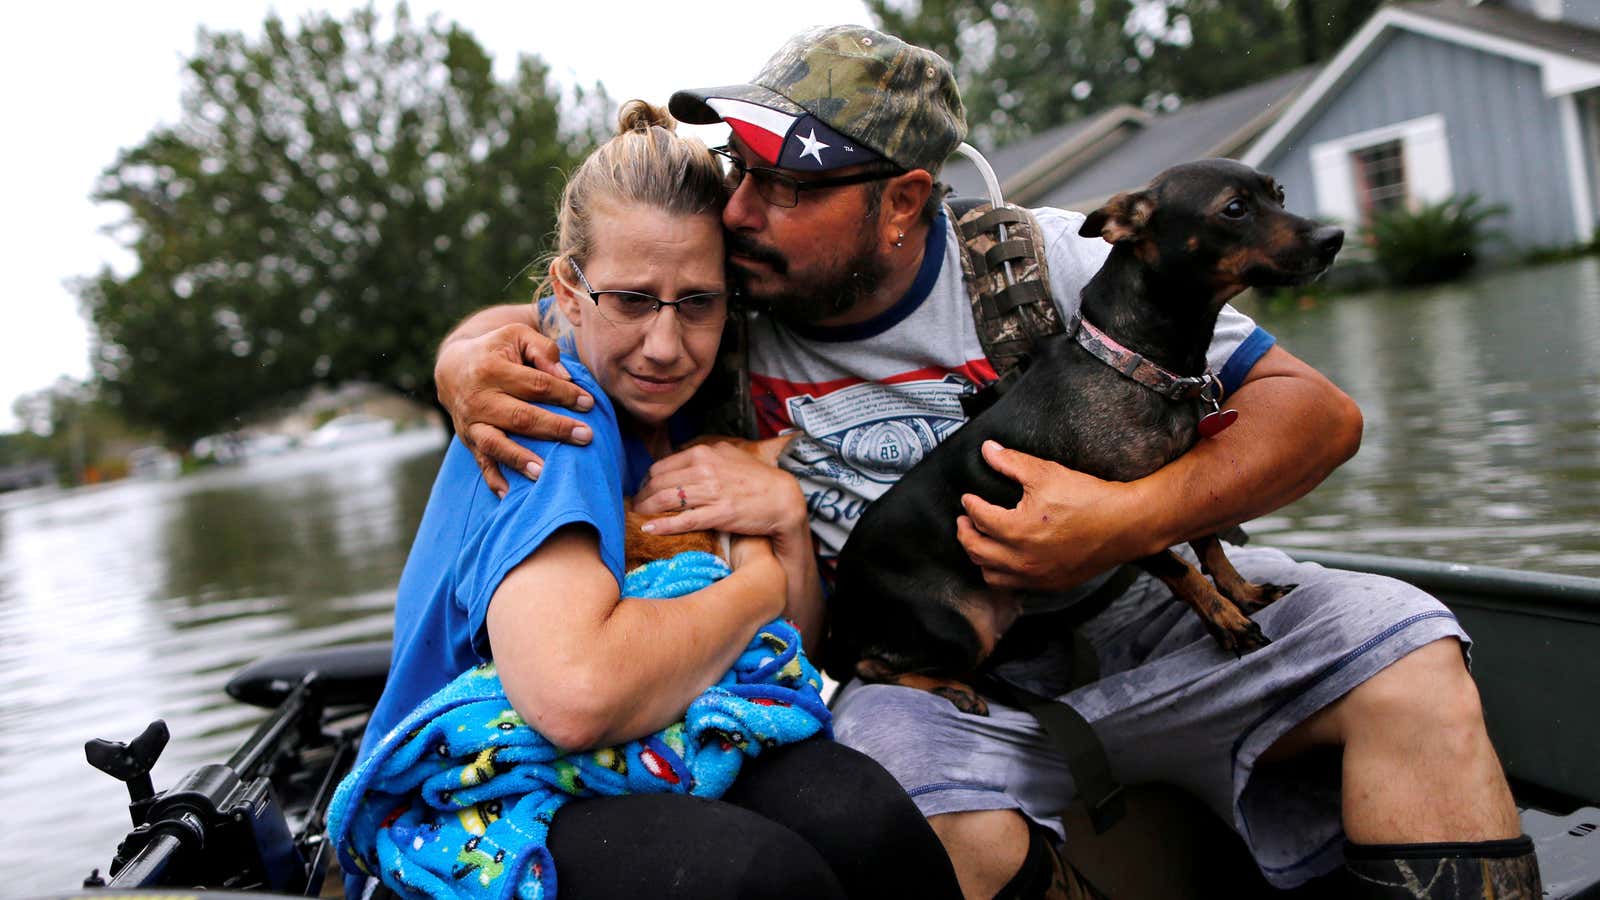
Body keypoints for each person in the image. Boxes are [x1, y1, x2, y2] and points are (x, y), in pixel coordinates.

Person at [431, 30, 1540, 900]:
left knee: (1409, 655)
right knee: (888, 808)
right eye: (739, 168)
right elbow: (564, 312)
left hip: (1156, 617)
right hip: (927, 672)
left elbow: (1315, 415)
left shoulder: (1052, 258)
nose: (740, 208)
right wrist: (466, 362)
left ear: (903, 201)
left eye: (786, 184)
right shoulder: (722, 288)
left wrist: (1122, 520)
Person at [352, 99, 961, 900]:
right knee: (759, 880)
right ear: (569, 293)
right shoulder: (545, 406)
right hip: (470, 784)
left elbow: (793, 655)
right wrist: (758, 585)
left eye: (698, 303)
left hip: (648, 729)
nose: (667, 346)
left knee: (871, 823)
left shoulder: (690, 406)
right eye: (633, 300)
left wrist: (782, 521)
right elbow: (573, 696)